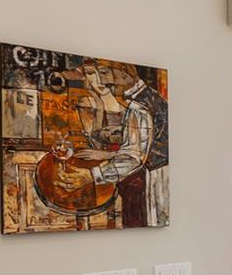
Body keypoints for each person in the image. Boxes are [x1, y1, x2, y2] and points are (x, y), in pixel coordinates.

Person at [54, 59, 168, 226]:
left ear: (124, 74)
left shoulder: (138, 107)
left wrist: (91, 176)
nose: (101, 81)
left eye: (105, 73)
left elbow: (133, 157)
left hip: (154, 181)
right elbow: (148, 143)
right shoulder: (149, 96)